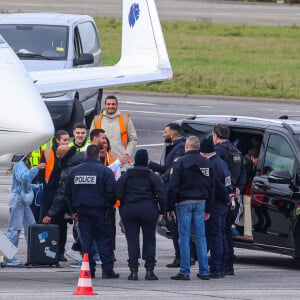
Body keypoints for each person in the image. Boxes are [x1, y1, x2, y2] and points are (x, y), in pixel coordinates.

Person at [65, 145, 119, 279]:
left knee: (86, 242)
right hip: (101, 211)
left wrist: (73, 211)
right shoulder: (104, 171)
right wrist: (109, 206)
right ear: (98, 155)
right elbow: (113, 192)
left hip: (82, 212)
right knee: (104, 241)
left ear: (86, 155)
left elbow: (67, 193)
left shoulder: (75, 171)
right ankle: (107, 270)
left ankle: (89, 270)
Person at [115, 149, 166, 281]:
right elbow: (161, 194)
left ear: (135, 160)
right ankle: (149, 270)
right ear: (146, 161)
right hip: (148, 210)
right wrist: (161, 211)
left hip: (130, 210)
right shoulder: (152, 176)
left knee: (132, 240)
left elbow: (117, 193)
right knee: (150, 239)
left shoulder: (126, 175)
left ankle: (133, 271)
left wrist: (122, 209)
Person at [168, 136, 214, 281]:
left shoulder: (180, 162)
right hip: (201, 202)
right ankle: (204, 270)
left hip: (184, 202)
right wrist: (209, 208)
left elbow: (173, 186)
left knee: (184, 237)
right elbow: (212, 187)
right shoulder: (207, 162)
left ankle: (185, 270)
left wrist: (169, 207)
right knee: (201, 237)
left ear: (187, 146)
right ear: (198, 147)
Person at [148, 123, 188, 268]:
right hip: (173, 191)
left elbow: (172, 171)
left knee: (176, 228)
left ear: (172, 134)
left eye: (165, 132)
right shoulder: (175, 147)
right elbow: (167, 169)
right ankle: (183, 256)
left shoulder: (179, 148)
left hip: (175, 193)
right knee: (176, 228)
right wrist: (150, 164)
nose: (163, 135)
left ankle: (181, 257)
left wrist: (159, 182)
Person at [212, 124, 246, 276]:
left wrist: (228, 190)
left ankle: (222, 265)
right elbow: (243, 173)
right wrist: (238, 188)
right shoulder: (236, 150)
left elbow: (219, 174)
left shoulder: (219, 151)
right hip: (235, 196)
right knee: (227, 231)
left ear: (215, 135)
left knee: (219, 232)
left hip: (223, 197)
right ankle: (229, 265)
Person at [200, 137, 234, 279]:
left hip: (216, 204)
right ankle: (224, 266)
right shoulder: (222, 163)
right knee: (221, 235)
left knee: (214, 237)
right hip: (224, 205)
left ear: (204, 152)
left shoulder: (211, 165)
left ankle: (216, 268)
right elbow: (228, 184)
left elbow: (216, 187)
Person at [6, 153, 46, 265]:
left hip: (22, 199)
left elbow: (24, 183)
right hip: (18, 199)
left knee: (31, 226)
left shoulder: (23, 162)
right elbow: (24, 178)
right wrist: (36, 168)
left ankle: (35, 254)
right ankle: (8, 257)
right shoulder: (19, 163)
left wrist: (38, 187)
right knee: (15, 228)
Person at [90, 95, 137, 172]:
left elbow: (133, 139)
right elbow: (92, 140)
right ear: (105, 106)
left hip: (121, 164)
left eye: (113, 104)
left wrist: (127, 154)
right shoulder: (97, 120)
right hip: (101, 162)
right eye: (108, 104)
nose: (111, 106)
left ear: (117, 105)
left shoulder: (125, 119)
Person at [238, 146, 260, 239]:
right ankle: (248, 232)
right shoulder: (248, 165)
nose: (258, 163)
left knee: (245, 208)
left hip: (244, 189)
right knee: (247, 208)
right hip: (244, 190)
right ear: (252, 157)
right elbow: (244, 180)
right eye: (257, 160)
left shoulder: (246, 161)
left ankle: (241, 227)